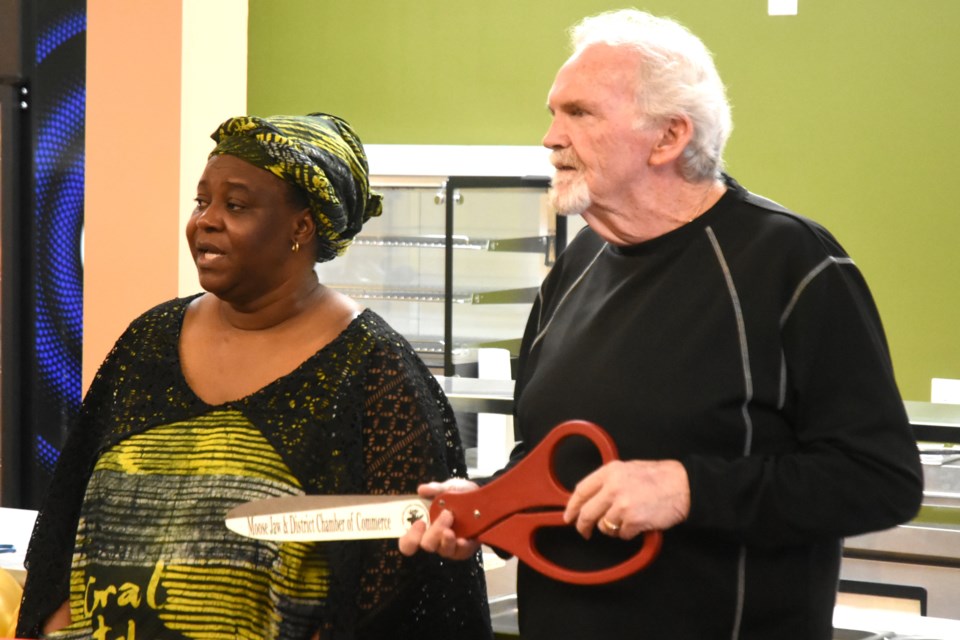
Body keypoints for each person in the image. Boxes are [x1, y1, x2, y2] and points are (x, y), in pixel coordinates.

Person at [400, 10, 923, 640]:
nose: (549, 137)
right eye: (553, 112)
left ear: (668, 136)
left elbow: (880, 479)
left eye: (579, 113)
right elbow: (546, 462)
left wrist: (685, 488)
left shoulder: (793, 263)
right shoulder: (575, 266)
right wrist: (487, 508)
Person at [17, 113, 492, 640]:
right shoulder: (149, 343)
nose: (206, 221)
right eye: (203, 202)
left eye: (236, 205)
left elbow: (403, 589)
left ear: (302, 227)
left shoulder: (373, 375)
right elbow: (63, 527)